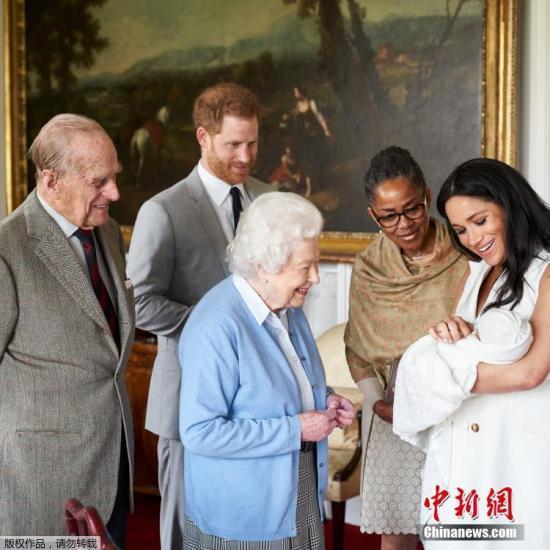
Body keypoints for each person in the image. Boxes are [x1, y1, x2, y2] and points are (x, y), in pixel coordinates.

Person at [126, 82, 272, 549]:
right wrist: (219, 330)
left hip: (257, 404)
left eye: (252, 143)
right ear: (203, 138)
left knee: (243, 530)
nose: (246, 156)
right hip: (187, 398)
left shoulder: (268, 200)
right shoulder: (162, 210)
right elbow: (140, 302)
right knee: (183, 531)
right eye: (233, 144)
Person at [178, 192, 355, 547]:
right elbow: (200, 432)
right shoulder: (216, 326)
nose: (316, 277)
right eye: (305, 267)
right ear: (264, 266)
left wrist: (326, 400)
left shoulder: (288, 307)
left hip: (297, 490)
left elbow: (285, 386)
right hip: (244, 517)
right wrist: (296, 429)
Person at [0, 114, 134, 546]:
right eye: (99, 181)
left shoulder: (108, 233)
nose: (113, 193)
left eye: (114, 177)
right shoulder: (8, 248)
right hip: (41, 482)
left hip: (114, 467)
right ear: (51, 180)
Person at [417, 158, 550, 549]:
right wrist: (448, 333)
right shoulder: (475, 271)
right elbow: (454, 345)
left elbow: (532, 372)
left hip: (517, 451)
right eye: (460, 230)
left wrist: (437, 377)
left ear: (509, 205)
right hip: (463, 447)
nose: (472, 238)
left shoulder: (546, 272)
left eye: (480, 221)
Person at [344, 146, 468, 550]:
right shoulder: (369, 268)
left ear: (428, 197)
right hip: (393, 410)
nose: (404, 224)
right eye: (389, 216)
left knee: (453, 530)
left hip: (459, 406)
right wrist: (377, 401)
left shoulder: (465, 252)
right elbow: (359, 349)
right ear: (373, 216)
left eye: (413, 209)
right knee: (398, 535)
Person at [393, 309, 532, 450]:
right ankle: (404, 406)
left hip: (490, 421)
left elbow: (529, 375)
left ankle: (406, 410)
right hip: (454, 424)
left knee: (432, 375)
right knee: (423, 361)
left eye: (478, 335)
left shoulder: (486, 349)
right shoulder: (470, 291)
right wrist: (451, 328)